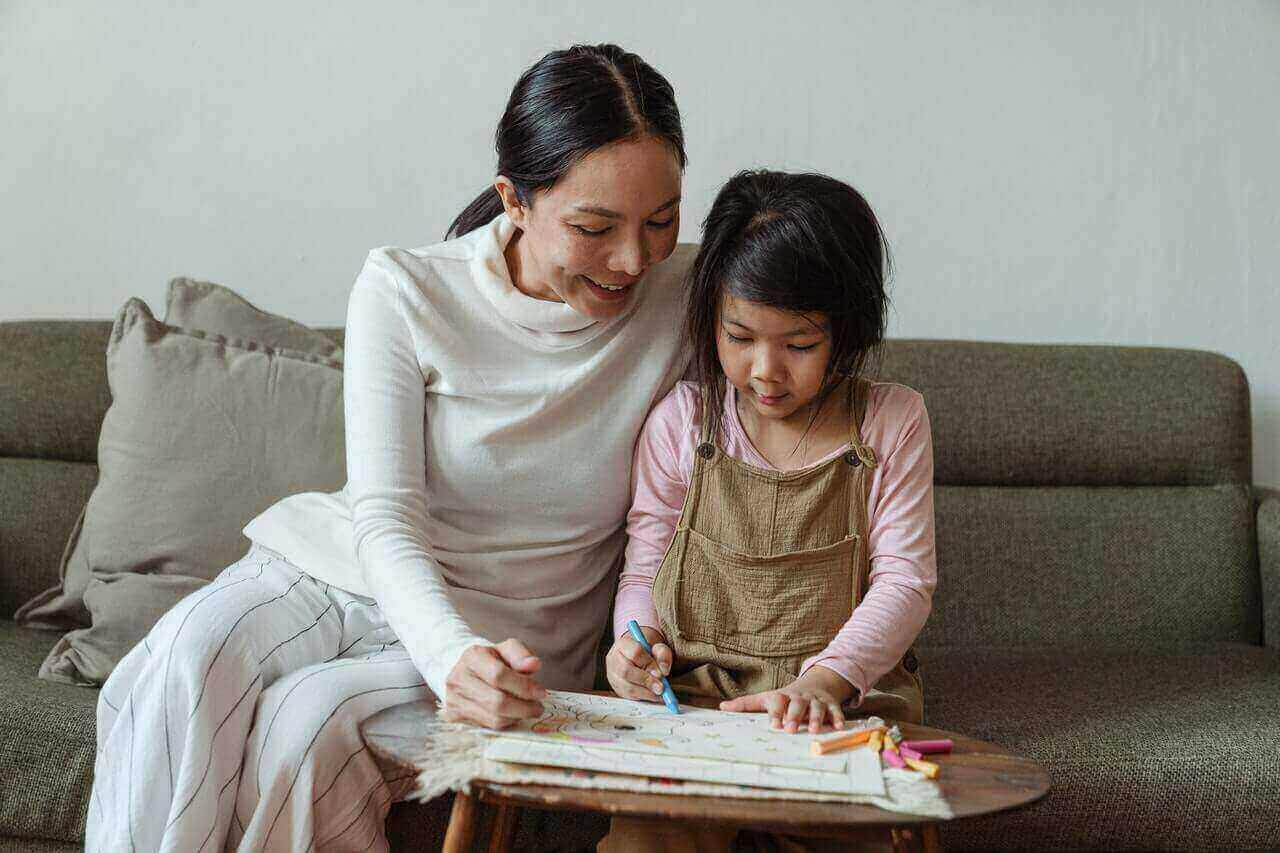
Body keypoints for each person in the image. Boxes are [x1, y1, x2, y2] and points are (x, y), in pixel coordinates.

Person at [87, 43, 693, 852]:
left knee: (303, 730)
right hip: (340, 572)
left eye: (662, 220)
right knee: (182, 657)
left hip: (507, 633)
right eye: (594, 227)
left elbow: (805, 294)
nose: (633, 258)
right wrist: (447, 656)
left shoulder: (691, 296)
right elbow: (384, 517)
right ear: (514, 200)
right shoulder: (406, 288)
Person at [606, 169, 934, 734]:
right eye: (738, 337)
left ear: (847, 331)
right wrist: (636, 646)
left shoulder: (892, 421)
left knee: (854, 815)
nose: (765, 371)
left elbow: (905, 580)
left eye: (800, 345)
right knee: (654, 825)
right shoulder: (682, 422)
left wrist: (825, 679)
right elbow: (645, 571)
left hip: (840, 700)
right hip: (695, 701)